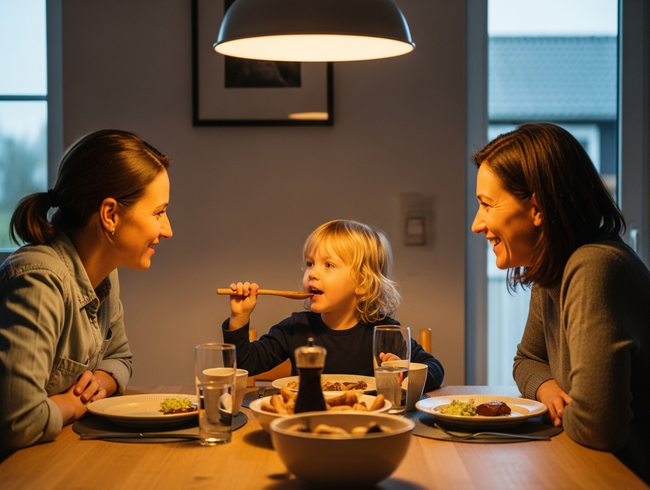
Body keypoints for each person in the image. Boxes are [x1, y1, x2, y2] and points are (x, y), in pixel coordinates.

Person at [471, 122, 649, 484]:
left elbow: (598, 427)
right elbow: (527, 361)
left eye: (487, 204)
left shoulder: (593, 268)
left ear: (536, 208)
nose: (477, 224)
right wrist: (547, 388)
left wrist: (572, 408)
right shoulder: (553, 266)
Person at [0, 129, 173, 452]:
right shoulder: (40, 280)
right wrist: (76, 404)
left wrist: (103, 382)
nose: (167, 230)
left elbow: (120, 358)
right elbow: (18, 421)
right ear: (110, 215)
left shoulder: (105, 275)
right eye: (158, 212)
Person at [222, 219, 444, 392]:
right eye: (310, 264)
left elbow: (435, 369)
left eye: (328, 265)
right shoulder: (295, 328)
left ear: (363, 284)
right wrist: (239, 319)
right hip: (307, 427)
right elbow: (244, 367)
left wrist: (402, 371)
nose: (312, 273)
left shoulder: (384, 333)